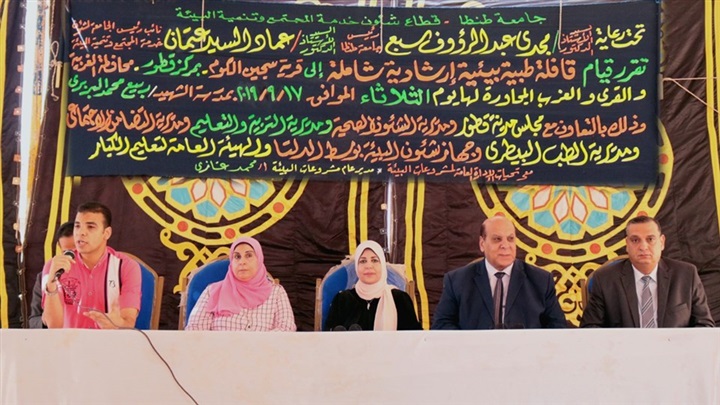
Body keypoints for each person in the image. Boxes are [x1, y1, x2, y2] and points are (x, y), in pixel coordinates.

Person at [432, 216, 566, 329]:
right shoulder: (457, 281)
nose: (505, 245)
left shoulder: (541, 281)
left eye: (510, 239)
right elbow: (441, 325)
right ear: (482, 244)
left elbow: (558, 328)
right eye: (497, 239)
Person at [580, 216, 714, 328]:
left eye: (650, 239)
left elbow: (705, 325)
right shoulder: (605, 279)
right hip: (624, 351)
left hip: (674, 350)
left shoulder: (686, 275)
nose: (643, 247)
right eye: (635, 240)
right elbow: (590, 328)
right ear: (627, 244)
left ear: (662, 242)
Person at [42, 202, 142, 329]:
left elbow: (128, 324)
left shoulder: (126, 267)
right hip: (69, 340)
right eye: (77, 226)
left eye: (90, 227)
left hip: (110, 340)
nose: (81, 232)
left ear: (106, 233)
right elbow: (54, 326)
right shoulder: (55, 266)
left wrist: (115, 324)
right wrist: (51, 284)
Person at [186, 236, 296, 331]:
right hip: (220, 349)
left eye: (249, 255)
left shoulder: (276, 293)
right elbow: (195, 330)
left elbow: (286, 328)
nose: (242, 262)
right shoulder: (212, 292)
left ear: (259, 259)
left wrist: (256, 344)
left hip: (263, 349)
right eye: (237, 257)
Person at [324, 240, 421, 331]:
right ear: (356, 267)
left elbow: (415, 339)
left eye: (374, 260)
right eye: (363, 261)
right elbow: (327, 338)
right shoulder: (342, 299)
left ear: (382, 265)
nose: (369, 266)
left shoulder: (400, 299)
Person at [28, 221, 75, 328]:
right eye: (67, 252)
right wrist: (45, 320)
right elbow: (33, 321)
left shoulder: (99, 273)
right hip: (58, 336)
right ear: (59, 247)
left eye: (76, 251)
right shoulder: (45, 276)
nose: (71, 257)